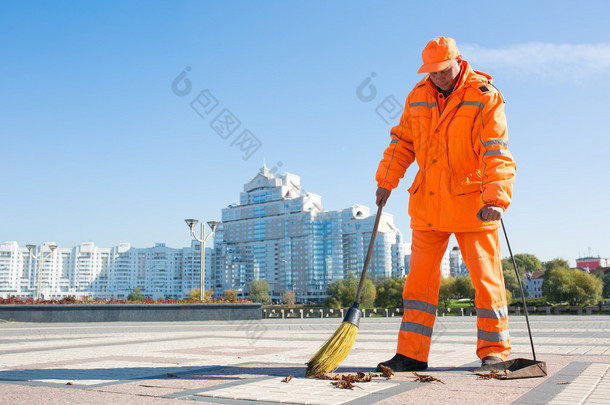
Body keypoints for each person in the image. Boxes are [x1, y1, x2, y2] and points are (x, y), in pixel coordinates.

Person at [375, 36, 516, 371]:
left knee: (486, 280)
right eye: (432, 71)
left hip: (473, 205)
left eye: (442, 70)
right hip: (428, 203)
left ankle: (493, 351)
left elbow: (496, 151)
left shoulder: (484, 96)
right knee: (418, 282)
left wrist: (497, 198)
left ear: (458, 60)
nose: (437, 76)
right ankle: (411, 353)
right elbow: (402, 143)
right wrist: (385, 181)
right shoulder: (417, 95)